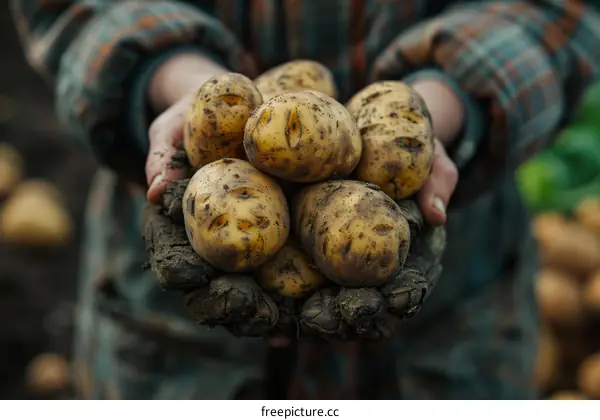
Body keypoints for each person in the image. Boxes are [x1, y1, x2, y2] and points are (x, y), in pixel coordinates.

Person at [10, 0, 600, 400]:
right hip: (173, 350)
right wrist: (173, 78)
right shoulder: (238, 127)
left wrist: (443, 105)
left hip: (451, 324)